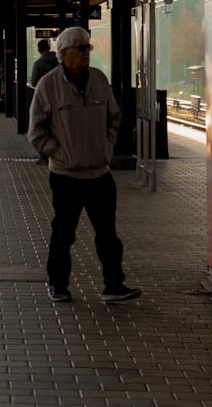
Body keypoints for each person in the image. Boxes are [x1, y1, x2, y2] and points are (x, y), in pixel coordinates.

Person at [27, 26, 141, 304]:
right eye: (81, 48)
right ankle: (58, 285)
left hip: (100, 174)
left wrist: (106, 147)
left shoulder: (100, 81)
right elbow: (36, 133)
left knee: (108, 236)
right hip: (65, 176)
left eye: (88, 47)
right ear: (64, 53)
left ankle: (114, 286)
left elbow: (115, 118)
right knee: (63, 234)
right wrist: (60, 153)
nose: (87, 53)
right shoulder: (49, 86)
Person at [30, 38, 59, 164]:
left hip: (45, 100)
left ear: (38, 50)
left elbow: (34, 82)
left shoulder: (38, 63)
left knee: (44, 126)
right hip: (60, 98)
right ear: (49, 48)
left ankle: (45, 155)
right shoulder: (59, 61)